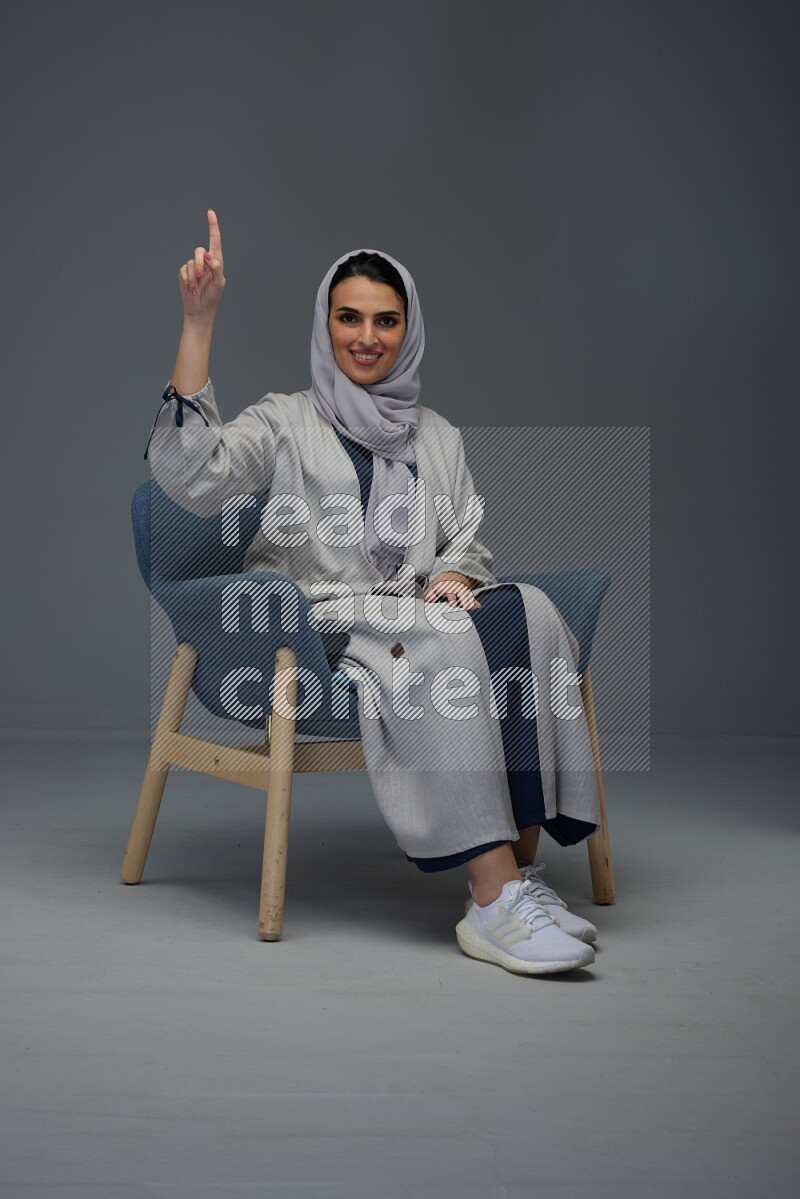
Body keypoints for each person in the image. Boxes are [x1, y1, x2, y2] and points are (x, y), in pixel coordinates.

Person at [146, 208, 602, 977]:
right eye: (348, 317)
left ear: (408, 329)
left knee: (532, 612)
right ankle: (490, 901)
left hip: (414, 611)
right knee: (447, 639)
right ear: (325, 324)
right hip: (321, 626)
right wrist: (199, 321)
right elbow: (194, 476)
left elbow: (466, 538)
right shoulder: (284, 421)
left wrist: (456, 573)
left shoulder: (438, 436)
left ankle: (518, 876)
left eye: (385, 320)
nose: (366, 336)